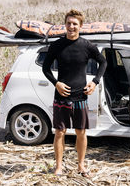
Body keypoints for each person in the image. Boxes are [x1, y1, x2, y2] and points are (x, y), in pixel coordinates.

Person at [42, 9, 107, 177]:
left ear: (81, 26)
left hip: (80, 96)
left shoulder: (87, 46)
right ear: (65, 24)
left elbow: (103, 62)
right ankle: (58, 167)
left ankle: (81, 165)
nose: (71, 27)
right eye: (69, 23)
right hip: (61, 97)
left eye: (75, 24)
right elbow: (45, 68)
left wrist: (95, 82)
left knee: (81, 132)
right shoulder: (57, 45)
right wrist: (56, 83)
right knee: (59, 133)